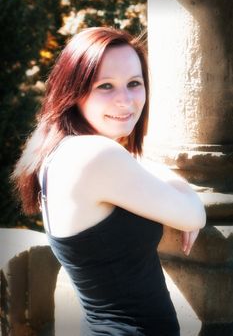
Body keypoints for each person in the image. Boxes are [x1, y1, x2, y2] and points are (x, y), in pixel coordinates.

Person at [12, 27, 206, 336]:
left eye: (134, 83)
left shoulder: (61, 151)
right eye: (105, 86)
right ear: (72, 91)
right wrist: (182, 191)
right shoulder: (96, 154)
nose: (125, 100)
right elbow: (194, 214)